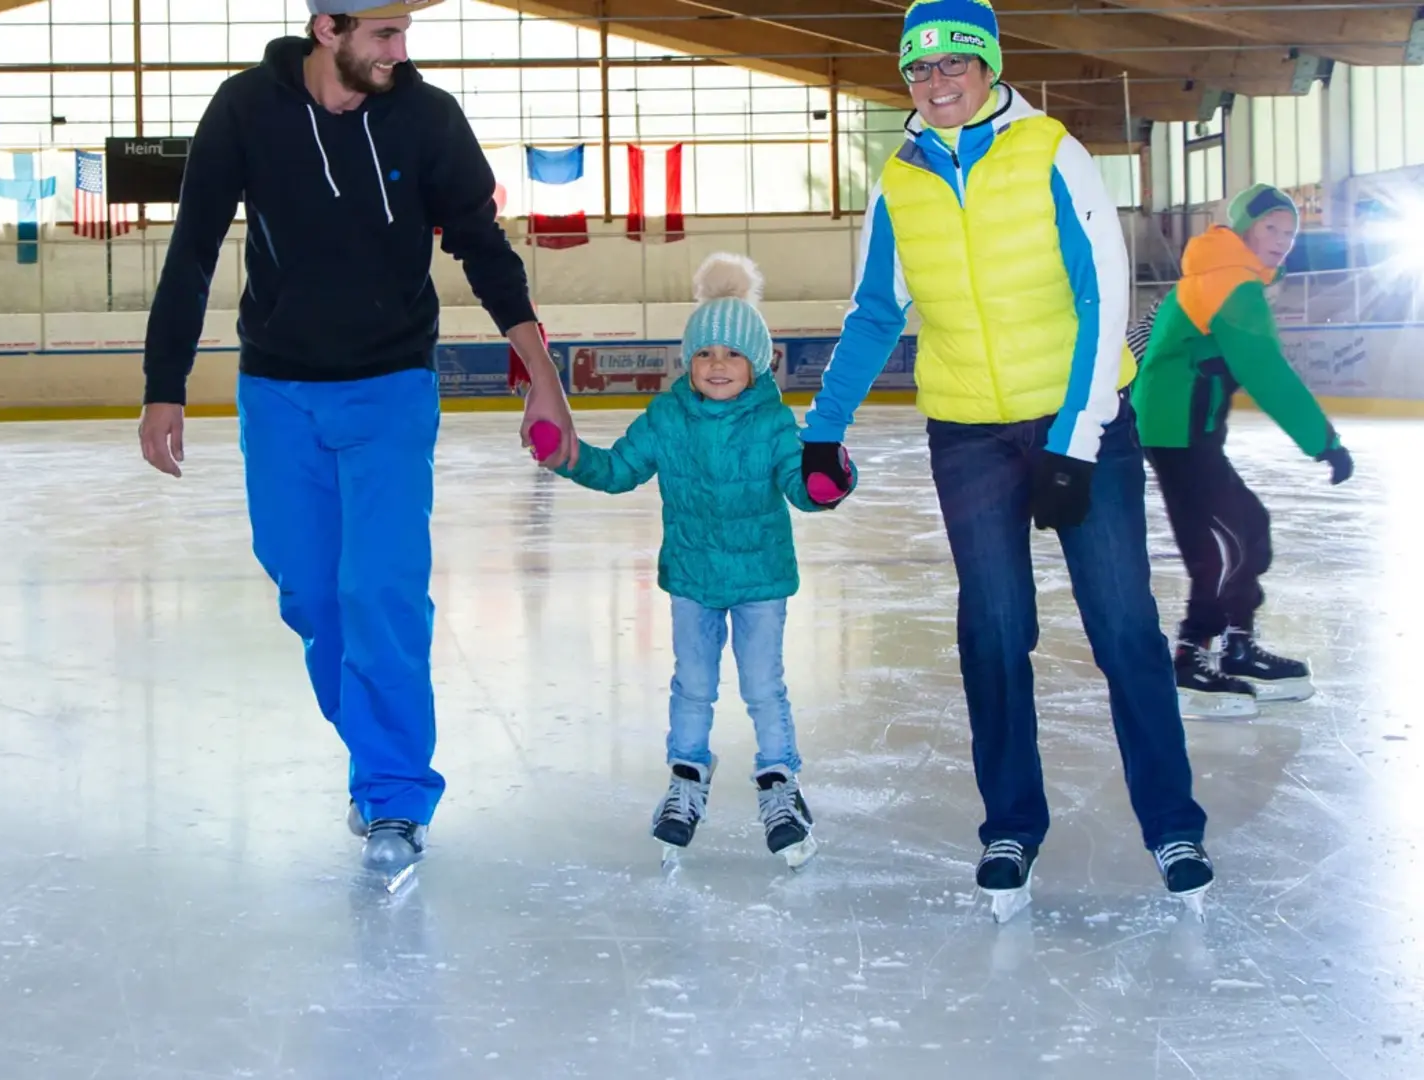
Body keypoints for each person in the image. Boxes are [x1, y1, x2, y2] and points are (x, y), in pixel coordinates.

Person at [135, 0, 577, 879]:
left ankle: (393, 792)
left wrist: (545, 376)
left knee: (380, 591)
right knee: (312, 596)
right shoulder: (245, 109)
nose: (399, 51)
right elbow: (191, 251)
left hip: (391, 388)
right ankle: (381, 749)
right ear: (328, 30)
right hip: (278, 390)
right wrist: (163, 387)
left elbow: (484, 247)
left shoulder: (425, 114)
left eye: (404, 33)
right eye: (383, 34)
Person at [795, 0, 1213, 919]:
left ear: (988, 66)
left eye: (954, 63)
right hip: (969, 436)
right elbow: (874, 314)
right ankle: (1010, 828)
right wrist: (823, 429)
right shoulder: (898, 180)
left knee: (1122, 627)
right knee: (992, 633)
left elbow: (1105, 298)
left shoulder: (1051, 151)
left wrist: (1075, 440)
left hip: (1078, 420)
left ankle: (1172, 821)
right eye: (919, 67)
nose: (937, 82)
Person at [552, 254, 835, 867]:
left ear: (756, 362)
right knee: (693, 685)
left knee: (763, 686)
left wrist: (827, 483)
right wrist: (568, 456)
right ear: (689, 360)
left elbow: (800, 483)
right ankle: (687, 776)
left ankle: (780, 784)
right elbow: (619, 470)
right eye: (704, 353)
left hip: (760, 579)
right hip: (692, 577)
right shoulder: (667, 417)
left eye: (731, 354)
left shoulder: (772, 420)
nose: (716, 365)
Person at [1129, 184, 1354, 718]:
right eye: (1271, 228)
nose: (1281, 240)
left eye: (1290, 232)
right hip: (1175, 429)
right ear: (1244, 227)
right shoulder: (1231, 283)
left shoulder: (1220, 275)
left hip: (1185, 427)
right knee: (1224, 542)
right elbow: (1266, 371)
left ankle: (1236, 643)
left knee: (1247, 527)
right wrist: (1323, 441)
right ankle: (1192, 654)